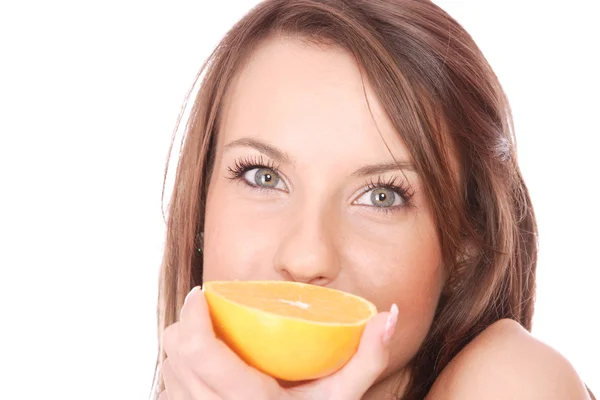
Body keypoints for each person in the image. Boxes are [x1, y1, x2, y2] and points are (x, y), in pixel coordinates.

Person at [152, 0, 595, 399]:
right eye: (262, 177)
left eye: (382, 196)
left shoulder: (512, 381)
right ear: (201, 215)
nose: (306, 259)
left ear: (464, 249)